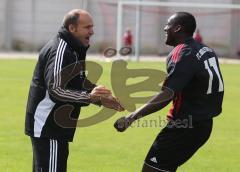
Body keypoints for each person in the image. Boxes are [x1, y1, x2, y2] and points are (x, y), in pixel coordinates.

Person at [114, 12, 224, 172]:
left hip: (184, 127)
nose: (165, 28)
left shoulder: (182, 52)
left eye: (168, 25)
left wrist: (131, 117)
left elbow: (167, 94)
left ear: (178, 28)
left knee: (151, 170)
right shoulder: (206, 50)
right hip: (204, 124)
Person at [25, 9, 124, 172]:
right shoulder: (61, 50)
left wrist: (99, 97)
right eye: (87, 27)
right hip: (48, 125)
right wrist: (90, 97)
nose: (92, 31)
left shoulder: (74, 48)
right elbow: (56, 89)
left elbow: (76, 80)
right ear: (72, 28)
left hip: (54, 126)